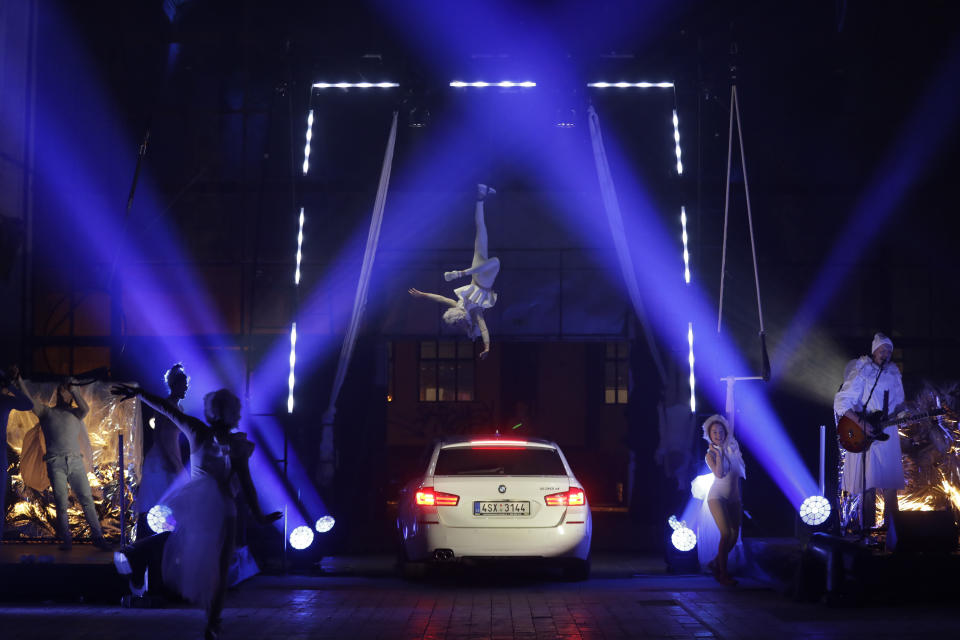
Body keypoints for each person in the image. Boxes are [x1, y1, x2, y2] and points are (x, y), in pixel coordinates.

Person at [111, 383, 281, 640]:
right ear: (233, 413)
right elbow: (247, 485)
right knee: (220, 569)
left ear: (212, 411)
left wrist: (140, 393)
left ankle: (138, 553)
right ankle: (213, 622)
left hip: (200, 503)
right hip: (224, 508)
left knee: (187, 544)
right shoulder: (236, 444)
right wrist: (259, 515)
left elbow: (168, 411)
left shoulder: (198, 431)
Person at [14, 372, 109, 550]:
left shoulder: (76, 414)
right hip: (55, 462)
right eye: (61, 390)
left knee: (86, 499)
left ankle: (98, 538)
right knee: (61, 502)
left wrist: (74, 390)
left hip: (75, 462)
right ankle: (67, 541)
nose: (62, 392)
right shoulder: (46, 412)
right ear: (57, 393)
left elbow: (85, 409)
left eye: (66, 390)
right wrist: (19, 380)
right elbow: (28, 401)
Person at [409, 184, 500, 359]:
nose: (461, 327)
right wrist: (423, 295)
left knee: (495, 261)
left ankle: (460, 273)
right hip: (476, 275)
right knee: (481, 232)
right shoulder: (461, 307)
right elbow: (442, 299)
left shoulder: (472, 312)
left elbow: (483, 328)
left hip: (482, 279)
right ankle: (481, 197)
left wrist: (423, 295)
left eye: (460, 324)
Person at [834, 332, 905, 532]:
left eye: (889, 351)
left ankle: (894, 533)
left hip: (888, 432)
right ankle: (867, 532)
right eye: (882, 350)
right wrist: (861, 423)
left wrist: (904, 413)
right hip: (866, 432)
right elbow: (842, 401)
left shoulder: (893, 374)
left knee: (890, 484)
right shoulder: (862, 370)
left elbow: (899, 405)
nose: (886, 354)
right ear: (874, 351)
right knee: (869, 484)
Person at [135, 364, 188, 538]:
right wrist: (174, 463)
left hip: (171, 456)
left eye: (186, 383)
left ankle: (169, 543)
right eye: (183, 384)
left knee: (173, 505)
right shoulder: (166, 406)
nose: (186, 387)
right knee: (162, 503)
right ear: (174, 385)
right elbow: (164, 438)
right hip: (162, 460)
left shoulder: (178, 407)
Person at [701, 414, 745, 586]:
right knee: (726, 533)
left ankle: (715, 563)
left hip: (734, 497)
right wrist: (718, 454)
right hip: (716, 497)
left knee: (734, 535)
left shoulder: (732, 447)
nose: (718, 435)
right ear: (709, 435)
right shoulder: (710, 455)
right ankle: (722, 574)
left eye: (720, 432)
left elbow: (731, 414)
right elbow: (719, 474)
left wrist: (730, 388)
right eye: (714, 433)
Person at [1, 366, 33, 540]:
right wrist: (11, 385)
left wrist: (10, 385)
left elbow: (28, 404)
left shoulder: (4, 400)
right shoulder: (4, 400)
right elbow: (27, 404)